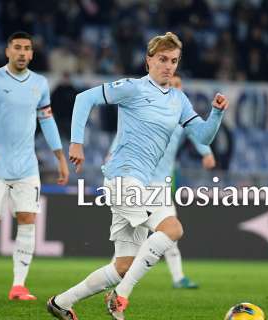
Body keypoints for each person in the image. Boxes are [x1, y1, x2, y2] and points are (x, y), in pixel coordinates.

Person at [47, 32, 228, 320]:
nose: (168, 66)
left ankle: (61, 302)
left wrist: (216, 114)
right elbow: (84, 98)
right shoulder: (132, 88)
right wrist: (76, 142)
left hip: (143, 183)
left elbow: (203, 134)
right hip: (123, 178)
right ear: (149, 61)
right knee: (173, 229)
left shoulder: (179, 100)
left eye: (174, 61)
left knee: (122, 266)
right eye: (162, 60)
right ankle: (120, 298)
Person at [0, 31, 69, 301]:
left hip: (27, 167)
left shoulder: (40, 83)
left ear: (32, 53)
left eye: (26, 48)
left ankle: (18, 286)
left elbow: (47, 121)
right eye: (17, 47)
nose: (21, 52)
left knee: (28, 220)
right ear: (7, 51)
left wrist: (60, 157)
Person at [106, 73, 216, 289]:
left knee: (167, 231)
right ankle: (119, 273)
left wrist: (207, 152)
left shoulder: (180, 116)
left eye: (178, 85)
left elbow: (197, 134)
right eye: (171, 84)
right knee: (140, 237)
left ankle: (177, 277)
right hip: (136, 180)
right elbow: (125, 134)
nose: (174, 88)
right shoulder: (150, 112)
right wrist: (111, 154)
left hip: (160, 184)